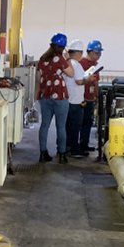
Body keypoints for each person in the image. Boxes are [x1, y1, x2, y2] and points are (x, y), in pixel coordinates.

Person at [37, 33, 75, 163]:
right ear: (62, 48)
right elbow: (71, 74)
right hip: (59, 96)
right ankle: (62, 155)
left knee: (44, 125)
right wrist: (68, 59)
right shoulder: (60, 59)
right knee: (61, 126)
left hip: (45, 95)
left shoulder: (42, 59)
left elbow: (38, 78)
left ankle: (43, 154)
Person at [63, 40, 89, 158]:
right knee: (75, 127)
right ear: (78, 53)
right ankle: (74, 150)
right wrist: (88, 79)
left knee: (67, 126)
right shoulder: (76, 65)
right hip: (76, 102)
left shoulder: (66, 63)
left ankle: (66, 147)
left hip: (68, 100)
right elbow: (79, 81)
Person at [79, 39, 103, 155]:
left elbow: (96, 83)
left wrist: (96, 97)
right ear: (90, 52)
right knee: (80, 123)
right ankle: (76, 146)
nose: (98, 56)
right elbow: (78, 81)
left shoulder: (95, 66)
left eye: (100, 53)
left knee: (88, 122)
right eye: (96, 53)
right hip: (81, 99)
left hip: (90, 99)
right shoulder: (82, 64)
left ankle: (84, 144)